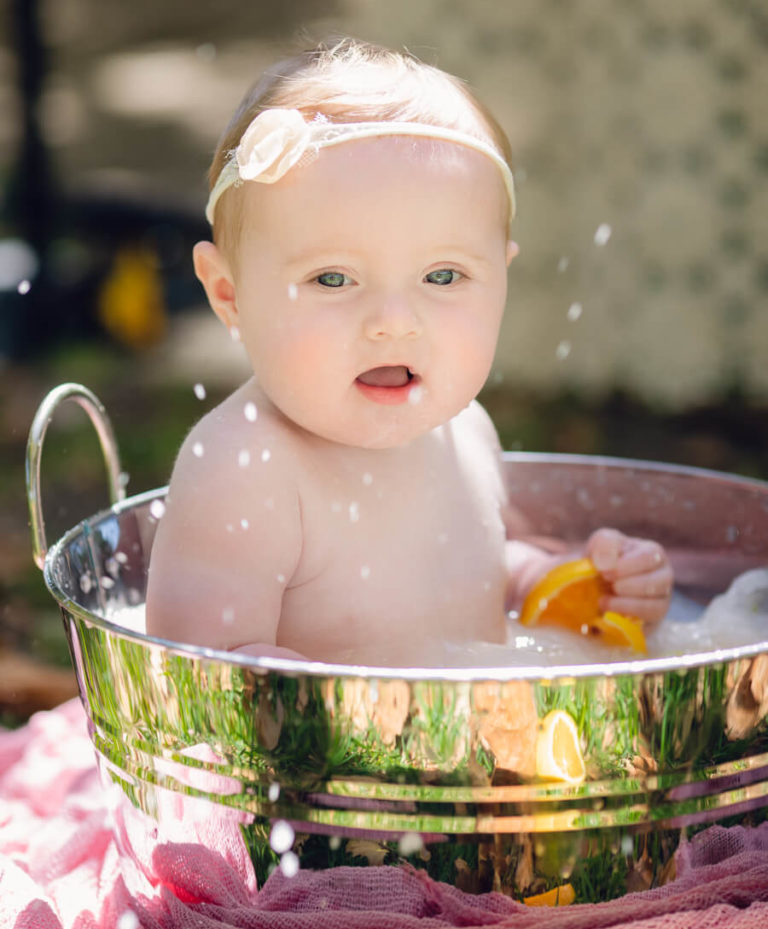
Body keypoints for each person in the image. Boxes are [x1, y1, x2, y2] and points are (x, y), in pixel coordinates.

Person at [145, 38, 672, 666]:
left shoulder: (466, 430)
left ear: (503, 278)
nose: (394, 324)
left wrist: (558, 586)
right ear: (229, 295)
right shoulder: (244, 469)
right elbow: (201, 680)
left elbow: (470, 577)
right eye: (333, 279)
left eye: (443, 277)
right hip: (325, 765)